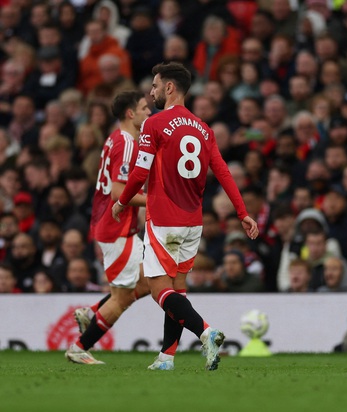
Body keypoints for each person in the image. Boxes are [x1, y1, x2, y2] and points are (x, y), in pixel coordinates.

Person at [112, 62, 258, 371]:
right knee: (177, 290)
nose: (150, 92)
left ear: (169, 87)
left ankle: (206, 331)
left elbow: (139, 172)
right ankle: (166, 358)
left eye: (154, 86)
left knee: (157, 289)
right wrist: (243, 213)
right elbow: (223, 172)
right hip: (193, 222)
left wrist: (123, 201)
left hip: (163, 219)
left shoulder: (154, 124)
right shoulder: (204, 128)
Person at [65, 91, 151, 365]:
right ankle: (80, 346)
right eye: (144, 108)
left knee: (151, 279)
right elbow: (117, 192)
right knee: (123, 297)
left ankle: (91, 313)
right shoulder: (126, 143)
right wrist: (155, 201)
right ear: (130, 113)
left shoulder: (117, 138)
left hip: (113, 225)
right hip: (115, 227)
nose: (148, 113)